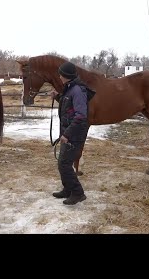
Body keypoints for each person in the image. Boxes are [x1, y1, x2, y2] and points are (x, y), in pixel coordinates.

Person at [51, 61, 95, 205]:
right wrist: (58, 97)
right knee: (63, 163)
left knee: (64, 163)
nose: (59, 76)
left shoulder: (77, 91)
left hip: (74, 134)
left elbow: (80, 115)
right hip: (68, 132)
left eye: (60, 74)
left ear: (66, 75)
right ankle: (68, 189)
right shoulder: (70, 88)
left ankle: (78, 193)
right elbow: (69, 107)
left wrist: (67, 134)